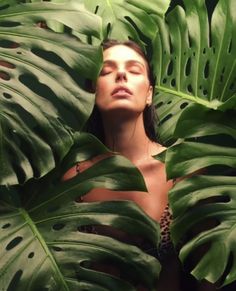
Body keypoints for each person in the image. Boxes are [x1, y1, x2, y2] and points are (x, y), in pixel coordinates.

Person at [62, 39, 216, 291]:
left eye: (134, 70)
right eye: (106, 71)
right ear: (92, 91)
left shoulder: (183, 170)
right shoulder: (75, 177)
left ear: (149, 94)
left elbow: (209, 275)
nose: (121, 74)